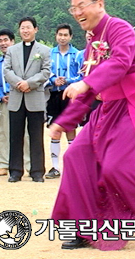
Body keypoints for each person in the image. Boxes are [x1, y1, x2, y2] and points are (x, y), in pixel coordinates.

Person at [49, 0, 135, 251]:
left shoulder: (120, 28)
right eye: (73, 8)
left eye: (82, 6)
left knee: (119, 167)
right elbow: (88, 88)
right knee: (75, 156)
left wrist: (86, 83)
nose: (77, 12)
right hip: (106, 111)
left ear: (100, 4)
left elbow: (120, 63)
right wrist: (63, 122)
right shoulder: (91, 39)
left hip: (130, 108)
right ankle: (83, 228)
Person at [4, 16, 51, 183]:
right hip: (16, 98)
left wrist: (29, 83)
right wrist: (18, 83)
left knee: (36, 136)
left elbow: (46, 72)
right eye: (22, 27)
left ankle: (37, 171)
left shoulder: (44, 50)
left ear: (35, 29)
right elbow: (7, 70)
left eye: (28, 27)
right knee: (15, 136)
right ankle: (15, 171)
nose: (25, 30)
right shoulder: (12, 50)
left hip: (35, 98)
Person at [45, 23, 81, 179]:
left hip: (70, 96)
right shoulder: (49, 54)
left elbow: (82, 76)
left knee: (70, 129)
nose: (62, 37)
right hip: (54, 95)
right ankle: (54, 166)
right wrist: (54, 80)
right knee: (55, 129)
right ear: (56, 35)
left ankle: (71, 166)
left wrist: (67, 80)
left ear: (71, 37)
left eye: (66, 35)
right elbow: (45, 74)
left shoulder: (77, 55)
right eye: (60, 34)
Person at [0, 29, 30, 176]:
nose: (3, 43)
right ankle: (4, 163)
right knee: (4, 132)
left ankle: (28, 163)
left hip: (22, 98)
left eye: (6, 40)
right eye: (0, 41)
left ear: (13, 41)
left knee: (26, 133)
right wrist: (1, 95)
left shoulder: (20, 58)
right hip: (5, 100)